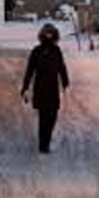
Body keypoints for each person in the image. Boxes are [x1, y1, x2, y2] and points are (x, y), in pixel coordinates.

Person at [21, 23, 70, 154]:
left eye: (51, 33)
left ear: (55, 35)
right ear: (42, 35)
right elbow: (29, 70)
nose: (49, 35)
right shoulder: (36, 51)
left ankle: (46, 141)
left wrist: (65, 84)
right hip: (40, 89)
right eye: (46, 33)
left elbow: (62, 68)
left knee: (52, 117)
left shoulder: (57, 51)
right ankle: (43, 145)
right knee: (43, 118)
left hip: (53, 90)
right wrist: (25, 88)